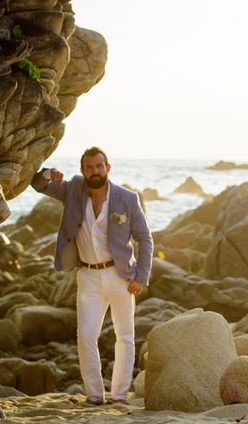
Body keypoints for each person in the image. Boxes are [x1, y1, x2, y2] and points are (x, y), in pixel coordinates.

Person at [31, 146, 153, 405]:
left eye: (99, 166)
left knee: (125, 336)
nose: (94, 171)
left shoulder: (127, 199)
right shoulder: (72, 189)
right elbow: (37, 183)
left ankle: (119, 395)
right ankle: (95, 395)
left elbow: (144, 238)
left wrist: (140, 276)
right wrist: (48, 172)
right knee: (86, 334)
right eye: (89, 167)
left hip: (121, 276)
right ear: (82, 170)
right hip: (88, 276)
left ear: (107, 168)